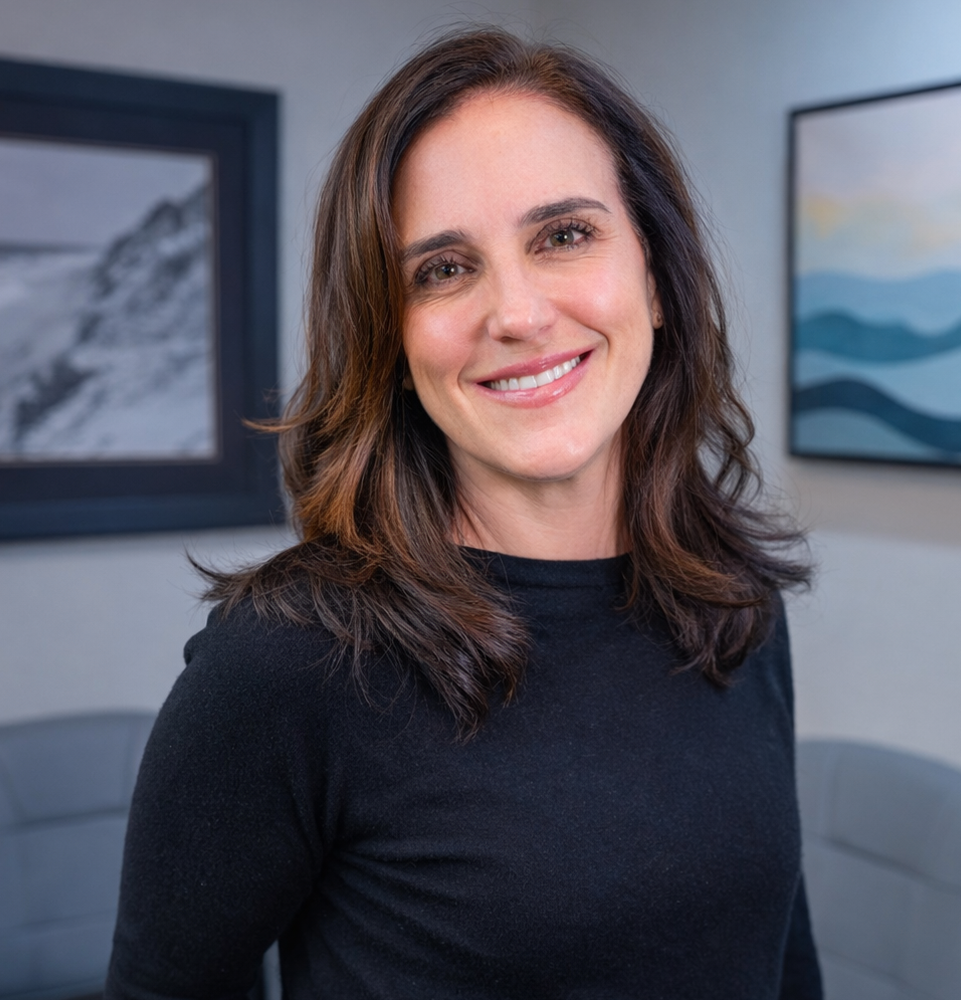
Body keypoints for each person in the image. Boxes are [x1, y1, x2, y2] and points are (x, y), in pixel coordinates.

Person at [106, 27, 821, 1000]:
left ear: (654, 276)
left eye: (563, 234)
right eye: (443, 268)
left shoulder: (733, 605)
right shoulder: (288, 663)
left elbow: (783, 962)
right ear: (389, 337)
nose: (516, 313)